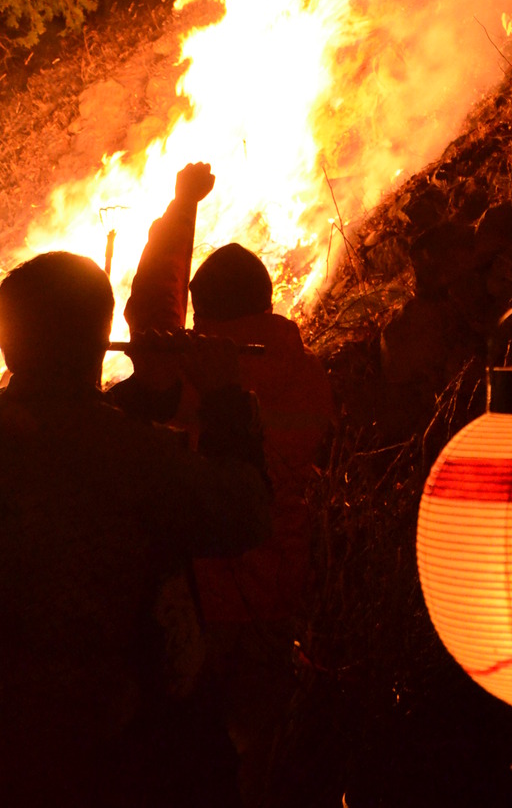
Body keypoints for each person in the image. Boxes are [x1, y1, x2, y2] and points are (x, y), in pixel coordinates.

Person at [0, 249, 270, 808]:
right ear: (100, 340)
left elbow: (69, 425)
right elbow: (242, 513)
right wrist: (222, 399)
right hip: (123, 745)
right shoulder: (131, 456)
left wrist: (142, 393)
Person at [111, 165, 335, 800]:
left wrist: (183, 207)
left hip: (199, 603)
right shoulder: (310, 376)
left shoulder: (185, 369)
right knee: (256, 756)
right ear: (266, 305)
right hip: (276, 597)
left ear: (199, 312)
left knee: (186, 755)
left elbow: (153, 301)